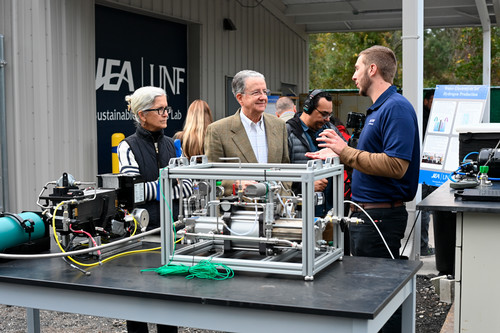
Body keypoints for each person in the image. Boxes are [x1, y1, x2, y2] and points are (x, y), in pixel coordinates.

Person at [306, 46, 420, 333]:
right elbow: (370, 159)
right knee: (367, 293)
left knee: (379, 296)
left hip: (380, 218)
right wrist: (338, 155)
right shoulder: (379, 109)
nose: (353, 75)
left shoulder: (396, 108)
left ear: (373, 70)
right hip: (367, 217)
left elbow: (397, 165)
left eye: (358, 68)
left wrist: (346, 152)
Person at [118, 86, 193, 333]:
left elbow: (189, 187)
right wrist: (171, 185)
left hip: (173, 235)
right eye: (160, 109)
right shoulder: (127, 146)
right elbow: (133, 193)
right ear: (142, 114)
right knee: (137, 300)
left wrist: (157, 188)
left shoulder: (174, 145)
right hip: (142, 237)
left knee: (168, 301)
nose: (165, 114)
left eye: (166, 108)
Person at [204, 70, 289, 193]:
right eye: (256, 92)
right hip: (240, 208)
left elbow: (285, 167)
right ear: (240, 98)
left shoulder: (279, 125)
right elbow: (212, 176)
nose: (263, 97)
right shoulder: (218, 131)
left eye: (265, 92)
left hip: (277, 205)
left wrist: (285, 195)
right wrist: (235, 184)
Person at [286, 89, 345, 217]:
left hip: (330, 212)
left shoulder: (331, 130)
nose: (327, 119)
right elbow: (281, 176)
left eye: (330, 115)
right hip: (303, 214)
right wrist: (306, 185)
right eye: (324, 114)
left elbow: (348, 156)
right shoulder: (288, 132)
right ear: (308, 108)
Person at [421, 90, 436, 256]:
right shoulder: (425, 119)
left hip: (430, 166)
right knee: (424, 207)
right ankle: (422, 246)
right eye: (433, 100)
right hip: (425, 167)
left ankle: (422, 245)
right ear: (425, 101)